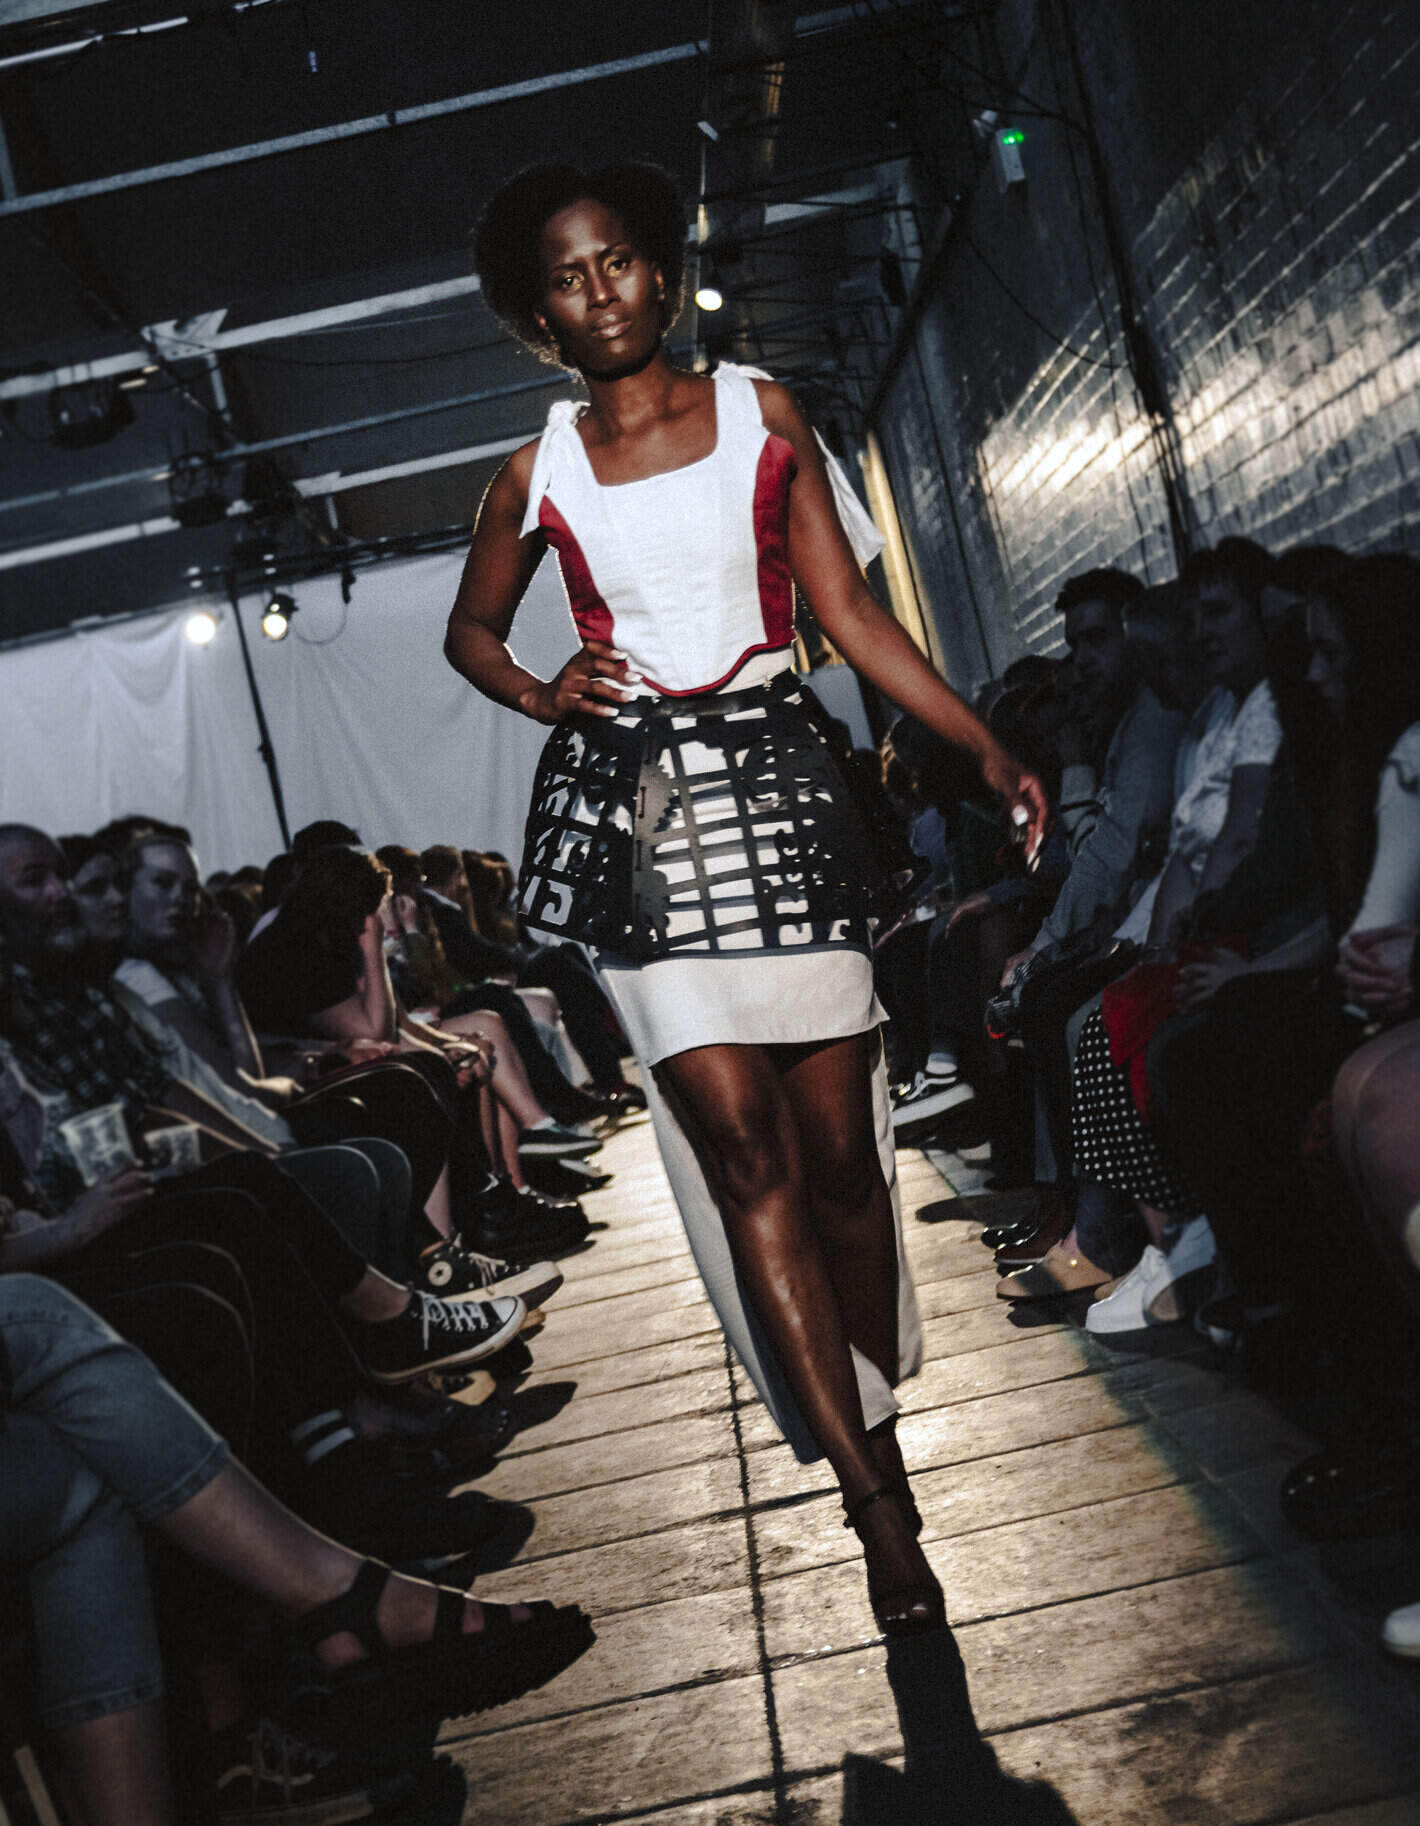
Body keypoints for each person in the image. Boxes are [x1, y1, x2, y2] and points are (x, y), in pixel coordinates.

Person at [443, 159, 1046, 1635]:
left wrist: (983, 746)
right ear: (539, 314)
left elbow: (849, 614)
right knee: (745, 1156)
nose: (600, 292)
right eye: (568, 278)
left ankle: (872, 1408)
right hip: (643, 837)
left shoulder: (767, 416)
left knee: (841, 1163)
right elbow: (471, 632)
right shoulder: (535, 471)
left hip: (784, 804)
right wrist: (540, 689)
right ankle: (874, 1505)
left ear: (662, 270)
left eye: (619, 261)